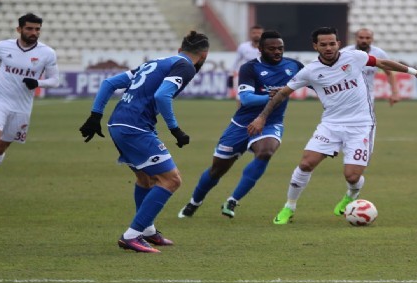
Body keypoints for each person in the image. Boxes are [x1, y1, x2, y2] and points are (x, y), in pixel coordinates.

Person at [247, 27, 417, 224]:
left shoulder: (354, 57)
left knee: (352, 176)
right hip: (330, 124)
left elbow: (382, 63)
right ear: (315, 46)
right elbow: (283, 93)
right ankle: (289, 207)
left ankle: (350, 196)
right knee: (305, 163)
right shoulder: (310, 71)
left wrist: (415, 72)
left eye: (332, 43)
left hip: (361, 124)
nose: (328, 48)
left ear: (338, 43)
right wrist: (262, 117)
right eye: (323, 44)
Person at [78, 31, 210, 253]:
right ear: (204, 55)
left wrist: (95, 115)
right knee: (172, 180)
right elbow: (162, 96)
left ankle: (147, 230)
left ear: (179, 50)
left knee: (146, 178)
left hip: (118, 124)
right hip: (135, 127)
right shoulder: (186, 67)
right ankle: (131, 235)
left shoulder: (158, 61)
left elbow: (109, 83)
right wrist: (175, 129)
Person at [177, 30, 304, 219]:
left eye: (280, 48)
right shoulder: (250, 68)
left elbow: (318, 82)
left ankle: (233, 200)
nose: (277, 52)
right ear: (260, 49)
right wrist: (271, 95)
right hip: (240, 125)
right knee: (217, 170)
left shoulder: (294, 66)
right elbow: (246, 98)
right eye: (272, 49)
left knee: (266, 151)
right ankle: (195, 201)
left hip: (271, 123)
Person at [0, 13, 60, 170]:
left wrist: (37, 82)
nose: (34, 33)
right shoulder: (3, 47)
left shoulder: (47, 53)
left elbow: (55, 81)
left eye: (37, 29)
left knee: (0, 148)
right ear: (19, 29)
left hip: (22, 107)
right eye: (29, 28)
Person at [340, 28, 400, 106]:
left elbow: (389, 73)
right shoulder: (344, 53)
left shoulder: (379, 53)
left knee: (365, 118)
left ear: (372, 39)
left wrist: (395, 93)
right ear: (356, 38)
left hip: (367, 95)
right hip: (346, 95)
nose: (364, 40)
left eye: (367, 38)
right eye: (361, 37)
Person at [229, 25, 264, 95]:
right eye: (254, 33)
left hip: (262, 75)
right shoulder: (243, 47)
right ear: (250, 34)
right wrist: (231, 74)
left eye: (259, 33)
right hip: (245, 75)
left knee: (261, 96)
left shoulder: (266, 47)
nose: (256, 35)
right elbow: (237, 61)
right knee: (242, 96)